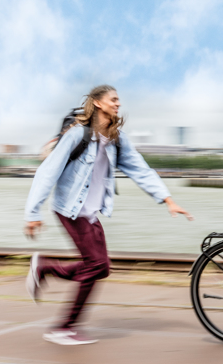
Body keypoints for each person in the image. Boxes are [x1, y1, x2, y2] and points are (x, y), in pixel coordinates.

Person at [23, 84, 193, 345]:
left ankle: (45, 269)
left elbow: (140, 169)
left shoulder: (116, 139)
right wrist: (33, 213)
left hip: (91, 212)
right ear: (97, 102)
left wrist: (168, 199)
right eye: (113, 99)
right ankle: (63, 327)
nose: (118, 103)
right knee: (96, 265)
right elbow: (48, 172)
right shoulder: (77, 134)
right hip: (70, 209)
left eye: (118, 100)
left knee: (100, 268)